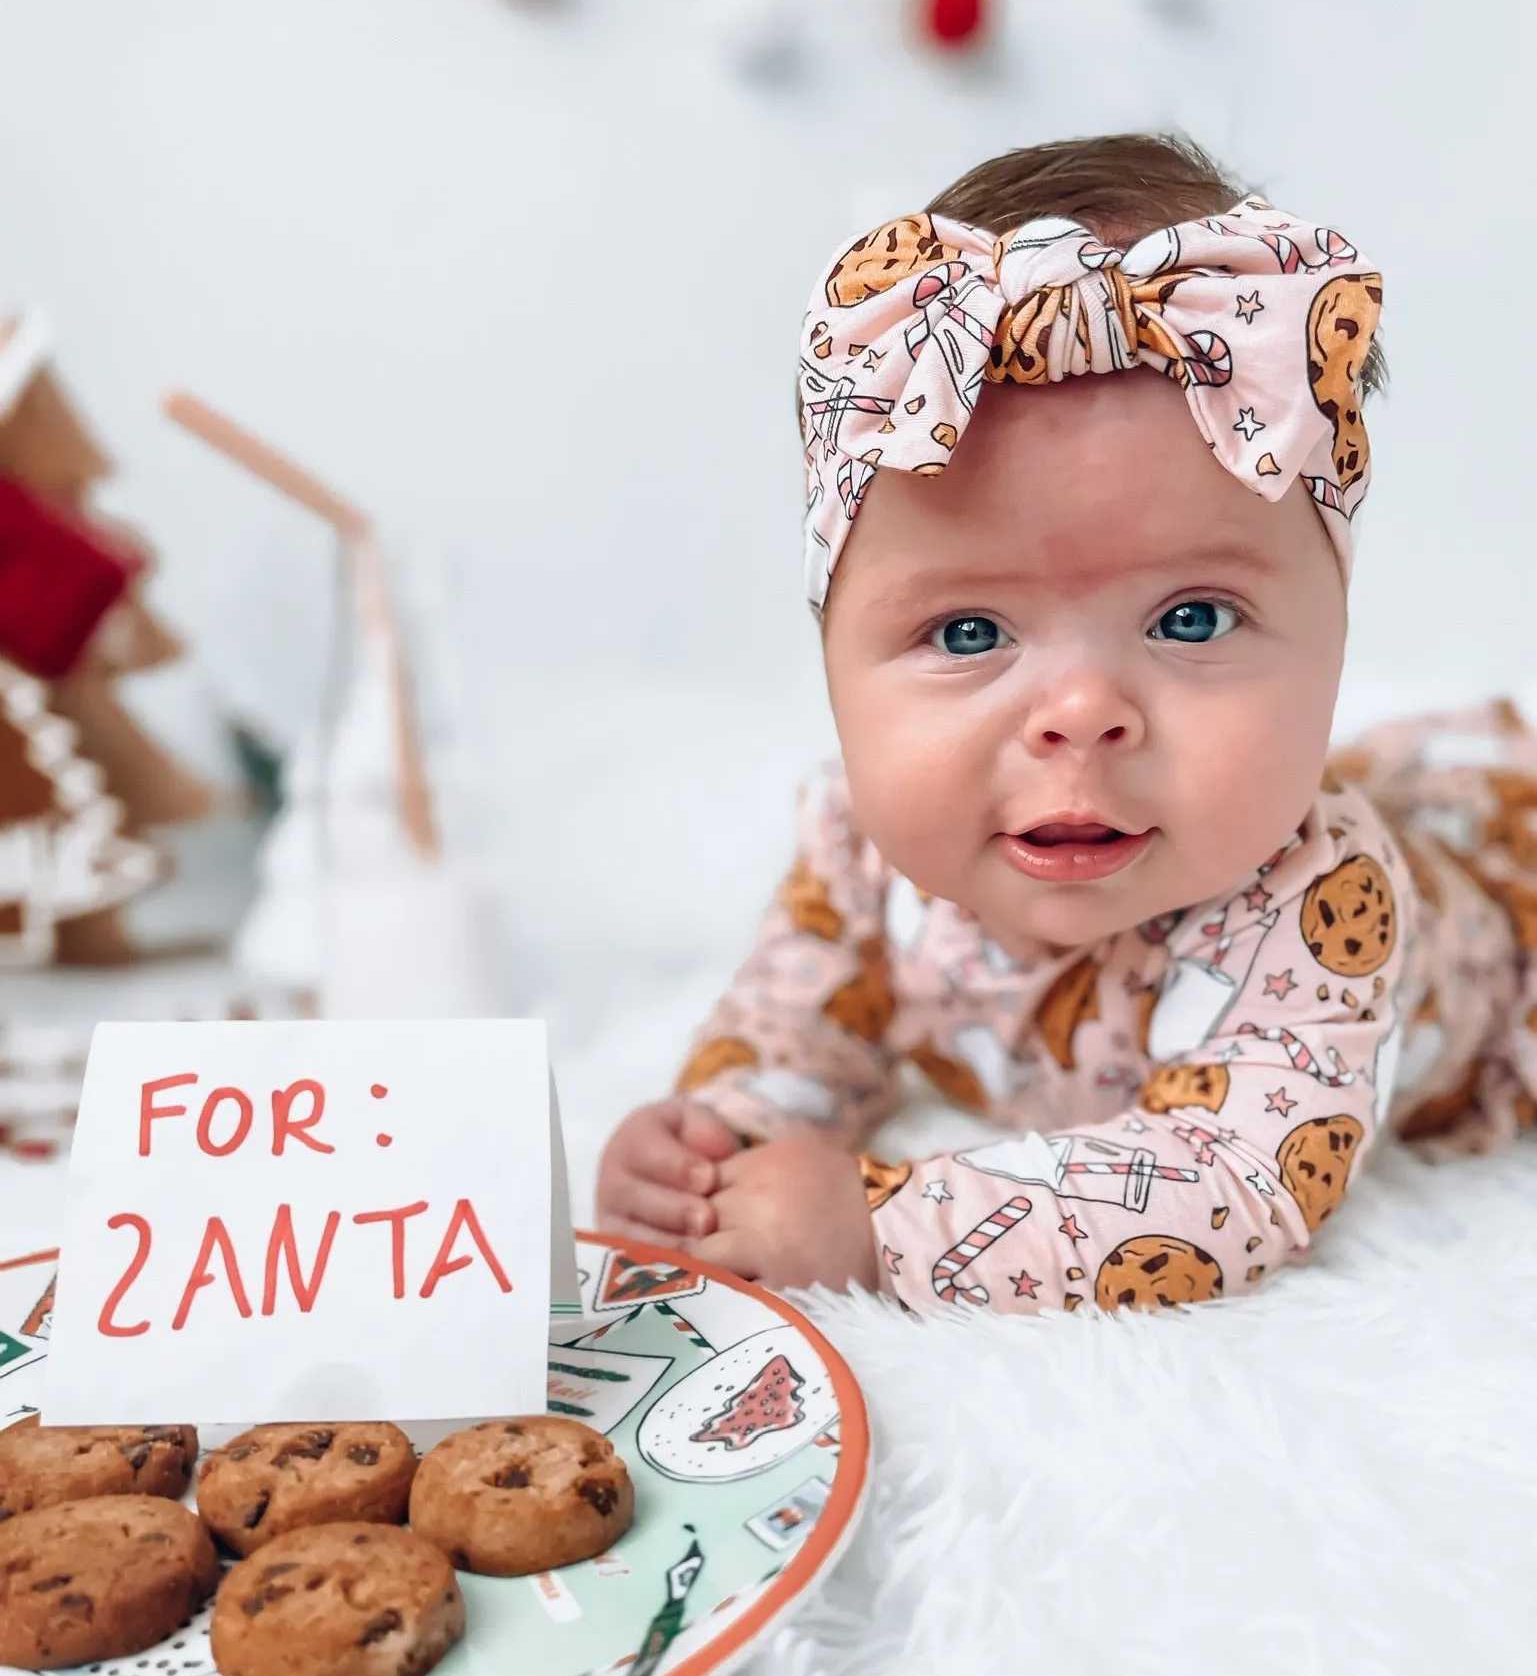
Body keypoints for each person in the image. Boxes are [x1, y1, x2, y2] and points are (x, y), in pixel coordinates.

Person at [597, 132, 1537, 1317]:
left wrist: (877, 1224)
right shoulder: (857, 845)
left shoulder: (1313, 894)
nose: (1082, 716)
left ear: (1336, 627)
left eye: (1191, 618)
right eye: (971, 634)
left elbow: (1235, 1182)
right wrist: (709, 1153)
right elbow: (797, 1025)